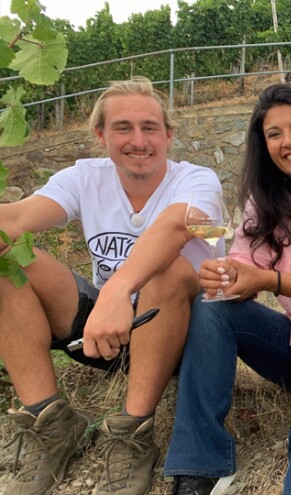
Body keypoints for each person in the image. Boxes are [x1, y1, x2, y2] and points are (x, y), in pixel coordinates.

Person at [0, 77, 222, 495]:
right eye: (122, 127)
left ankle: (131, 435)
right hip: (107, 333)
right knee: (9, 261)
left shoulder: (197, 180)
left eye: (149, 127)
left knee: (169, 269)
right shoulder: (85, 177)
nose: (138, 140)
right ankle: (50, 424)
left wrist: (118, 291)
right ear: (100, 135)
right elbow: (13, 221)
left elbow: (178, 225)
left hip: (181, 338)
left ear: (169, 135)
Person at [163, 83, 291, 495]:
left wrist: (269, 280)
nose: (289, 142)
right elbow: (243, 262)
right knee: (213, 308)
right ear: (264, 145)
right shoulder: (268, 202)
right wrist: (227, 276)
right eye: (274, 134)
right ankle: (200, 465)